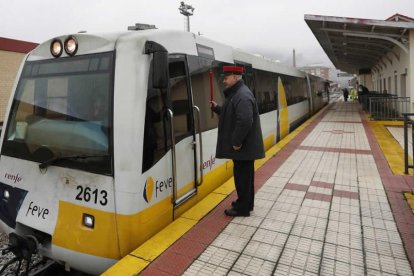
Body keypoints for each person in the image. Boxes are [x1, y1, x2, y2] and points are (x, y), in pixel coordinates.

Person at [211, 65, 265, 217]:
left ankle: (242, 208)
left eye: (226, 78)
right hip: (245, 148)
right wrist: (217, 109)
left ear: (235, 77)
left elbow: (245, 120)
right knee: (245, 178)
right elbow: (232, 114)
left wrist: (236, 141)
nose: (224, 81)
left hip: (243, 148)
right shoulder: (238, 94)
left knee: (243, 178)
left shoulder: (242, 95)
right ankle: (245, 203)